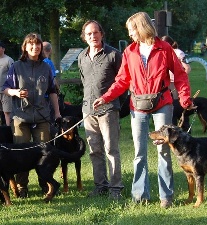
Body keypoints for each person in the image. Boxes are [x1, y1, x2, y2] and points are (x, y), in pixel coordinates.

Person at [93, 12, 195, 208]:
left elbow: (180, 75)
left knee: (163, 150)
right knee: (139, 152)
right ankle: (140, 195)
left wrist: (184, 98)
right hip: (138, 105)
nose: (130, 35)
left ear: (141, 28)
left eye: (132, 30)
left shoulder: (164, 48)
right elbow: (122, 81)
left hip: (162, 103)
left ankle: (167, 197)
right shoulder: (130, 52)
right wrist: (105, 98)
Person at [3, 33, 61, 198]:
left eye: (38, 45)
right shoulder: (16, 66)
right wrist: (15, 92)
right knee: (21, 155)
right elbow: (5, 88)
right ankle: (22, 187)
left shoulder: (46, 67)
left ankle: (46, 184)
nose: (35, 47)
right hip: (21, 117)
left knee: (45, 153)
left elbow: (52, 92)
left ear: (41, 47)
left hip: (42, 116)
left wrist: (57, 113)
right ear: (25, 47)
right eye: (31, 44)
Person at [78, 20, 124, 200]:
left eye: (95, 32)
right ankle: (100, 186)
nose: (93, 36)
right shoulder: (82, 56)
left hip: (109, 109)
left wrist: (114, 102)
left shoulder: (113, 54)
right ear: (84, 37)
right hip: (88, 110)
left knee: (111, 149)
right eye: (89, 34)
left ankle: (116, 188)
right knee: (95, 150)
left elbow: (123, 82)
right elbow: (84, 82)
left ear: (101, 34)